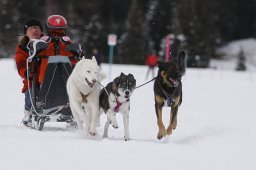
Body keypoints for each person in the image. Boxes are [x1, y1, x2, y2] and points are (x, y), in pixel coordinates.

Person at [15, 18, 44, 126]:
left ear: (41, 30)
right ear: (26, 32)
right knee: (31, 89)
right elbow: (20, 65)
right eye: (31, 28)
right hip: (33, 78)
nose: (34, 30)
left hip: (49, 76)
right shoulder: (22, 48)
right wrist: (26, 72)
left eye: (37, 28)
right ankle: (28, 112)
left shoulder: (48, 43)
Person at [38, 15, 81, 83]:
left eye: (60, 32)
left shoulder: (67, 44)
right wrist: (40, 44)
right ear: (48, 31)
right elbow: (35, 56)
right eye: (53, 32)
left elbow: (76, 59)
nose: (56, 35)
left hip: (65, 80)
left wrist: (69, 45)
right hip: (46, 80)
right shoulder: (44, 44)